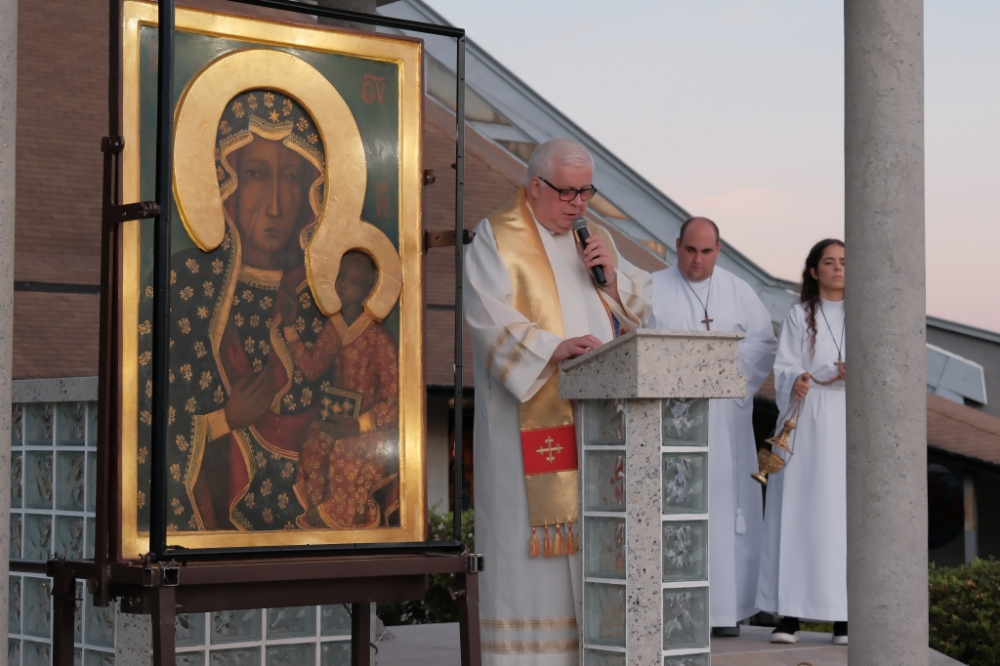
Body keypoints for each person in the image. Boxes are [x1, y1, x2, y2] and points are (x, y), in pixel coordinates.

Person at [136, 89, 399, 532]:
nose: (275, 206)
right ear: (225, 180)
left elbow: (368, 396)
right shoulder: (184, 284)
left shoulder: (326, 299)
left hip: (316, 503)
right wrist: (223, 419)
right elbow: (145, 416)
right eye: (256, 174)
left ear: (314, 190)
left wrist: (354, 424)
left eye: (292, 178)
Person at [464, 138, 651, 664]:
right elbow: (485, 315)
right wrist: (552, 348)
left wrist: (613, 282)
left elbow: (640, 306)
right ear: (535, 186)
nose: (578, 203)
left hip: (597, 425)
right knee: (531, 559)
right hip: (527, 428)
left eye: (586, 191)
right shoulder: (497, 235)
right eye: (567, 191)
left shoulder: (595, 239)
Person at [649, 217, 778, 637]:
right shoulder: (651, 288)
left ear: (718, 250)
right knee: (678, 511)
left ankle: (726, 611)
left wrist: (717, 369)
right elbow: (638, 344)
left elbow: (763, 344)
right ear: (677, 245)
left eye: (706, 251)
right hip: (671, 422)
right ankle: (676, 609)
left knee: (724, 510)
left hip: (725, 421)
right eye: (690, 250)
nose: (697, 260)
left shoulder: (739, 291)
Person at [756, 239, 848, 645]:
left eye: (844, 262)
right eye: (829, 262)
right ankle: (789, 616)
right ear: (814, 271)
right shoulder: (799, 315)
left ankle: (845, 619)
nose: (838, 268)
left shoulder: (865, 313)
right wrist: (797, 379)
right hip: (807, 418)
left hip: (846, 420)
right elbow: (785, 365)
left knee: (841, 516)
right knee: (796, 511)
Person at [278, 250, 400, 530]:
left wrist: (358, 425)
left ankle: (343, 519)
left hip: (369, 429)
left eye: (354, 282)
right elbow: (312, 368)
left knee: (346, 450)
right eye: (341, 276)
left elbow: (392, 402)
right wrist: (289, 327)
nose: (344, 284)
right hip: (338, 418)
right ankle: (317, 515)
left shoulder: (379, 339)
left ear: (369, 291)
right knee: (315, 438)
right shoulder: (335, 328)